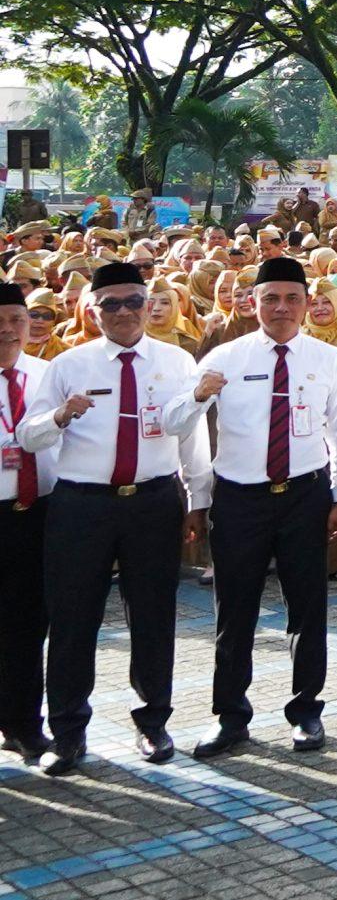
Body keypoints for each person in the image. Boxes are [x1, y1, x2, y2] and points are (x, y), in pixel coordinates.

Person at [17, 261, 210, 776]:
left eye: (133, 301)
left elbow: (192, 438)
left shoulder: (175, 360)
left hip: (152, 501)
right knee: (73, 620)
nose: (124, 312)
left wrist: (198, 500)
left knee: (152, 616)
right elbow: (29, 435)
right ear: (92, 309)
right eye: (111, 304)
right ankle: (68, 732)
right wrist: (60, 417)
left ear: (148, 304)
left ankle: (153, 723)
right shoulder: (68, 365)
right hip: (83, 505)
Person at [172, 255, 337, 758]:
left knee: (308, 607)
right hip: (240, 498)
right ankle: (230, 716)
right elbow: (176, 425)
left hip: (305, 494)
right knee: (235, 611)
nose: (282, 308)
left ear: (305, 304)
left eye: (292, 299)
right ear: (253, 302)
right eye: (270, 298)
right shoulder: (225, 358)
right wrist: (195, 396)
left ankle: (306, 712)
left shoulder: (328, 360)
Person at [0, 281, 56, 761]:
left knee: (27, 624)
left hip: (37, 514)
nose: (9, 331)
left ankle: (22, 723)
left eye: (17, 320)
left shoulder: (48, 374)